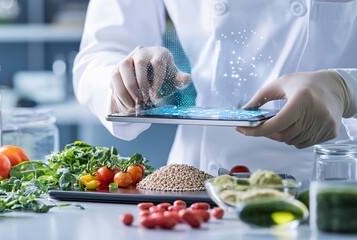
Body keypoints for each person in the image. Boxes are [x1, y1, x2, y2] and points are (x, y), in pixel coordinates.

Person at [72, 0, 357, 182]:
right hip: (200, 187)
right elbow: (102, 50)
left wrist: (346, 89)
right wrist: (127, 79)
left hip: (338, 176)